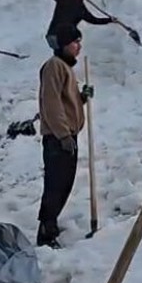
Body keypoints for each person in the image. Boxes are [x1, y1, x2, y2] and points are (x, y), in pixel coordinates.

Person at [35, 23, 94, 247]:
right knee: (55, 185)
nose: (78, 47)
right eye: (74, 43)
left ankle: (51, 225)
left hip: (67, 136)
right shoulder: (53, 66)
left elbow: (66, 102)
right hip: (58, 139)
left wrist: (82, 97)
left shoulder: (66, 67)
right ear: (63, 45)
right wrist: (62, 135)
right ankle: (46, 232)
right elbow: (51, 103)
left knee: (64, 184)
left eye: (79, 42)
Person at [45, 0, 115, 51]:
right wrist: (109, 20)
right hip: (64, 38)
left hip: (52, 36)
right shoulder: (79, 6)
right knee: (66, 57)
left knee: (60, 57)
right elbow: (93, 20)